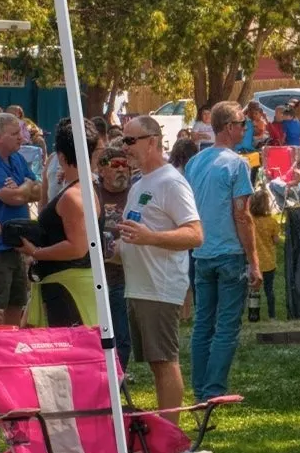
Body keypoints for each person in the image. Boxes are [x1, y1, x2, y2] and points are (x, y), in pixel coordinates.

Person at [118, 116, 203, 411]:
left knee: (165, 361)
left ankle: (171, 440)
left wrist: (150, 237)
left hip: (160, 287)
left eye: (130, 140)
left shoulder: (171, 182)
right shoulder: (140, 183)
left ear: (152, 141)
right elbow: (135, 234)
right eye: (122, 140)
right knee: (156, 363)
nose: (124, 147)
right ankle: (166, 436)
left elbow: (195, 234)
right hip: (139, 287)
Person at [184, 101, 260, 401]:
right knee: (226, 325)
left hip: (201, 253)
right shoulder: (237, 164)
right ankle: (213, 390)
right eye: (242, 123)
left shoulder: (194, 163)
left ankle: (200, 387)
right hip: (229, 253)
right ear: (229, 127)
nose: (245, 128)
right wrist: (254, 260)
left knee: (203, 323)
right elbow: (242, 214)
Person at [16, 118, 101, 327]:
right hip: (62, 284)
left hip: (69, 290)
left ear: (61, 156)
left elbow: (77, 247)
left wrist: (35, 252)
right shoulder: (80, 187)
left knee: (65, 356)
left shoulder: (74, 196)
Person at [0, 112, 43, 326]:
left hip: (17, 246)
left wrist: (24, 187)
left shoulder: (16, 157)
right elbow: (15, 198)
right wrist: (25, 186)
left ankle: (12, 344)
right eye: (14, 134)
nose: (21, 138)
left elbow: (39, 190)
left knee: (17, 302)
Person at [95, 139, 134, 362]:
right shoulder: (92, 194)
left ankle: (117, 387)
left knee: (122, 337)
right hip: (96, 276)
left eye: (125, 165)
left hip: (126, 277)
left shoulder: (136, 191)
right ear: (101, 169)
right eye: (115, 165)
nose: (121, 170)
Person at [250, 185, 279, 319]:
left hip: (254, 262)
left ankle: (253, 314)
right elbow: (276, 240)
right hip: (269, 262)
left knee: (253, 289)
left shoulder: (250, 221)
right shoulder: (272, 222)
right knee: (269, 290)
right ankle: (272, 315)